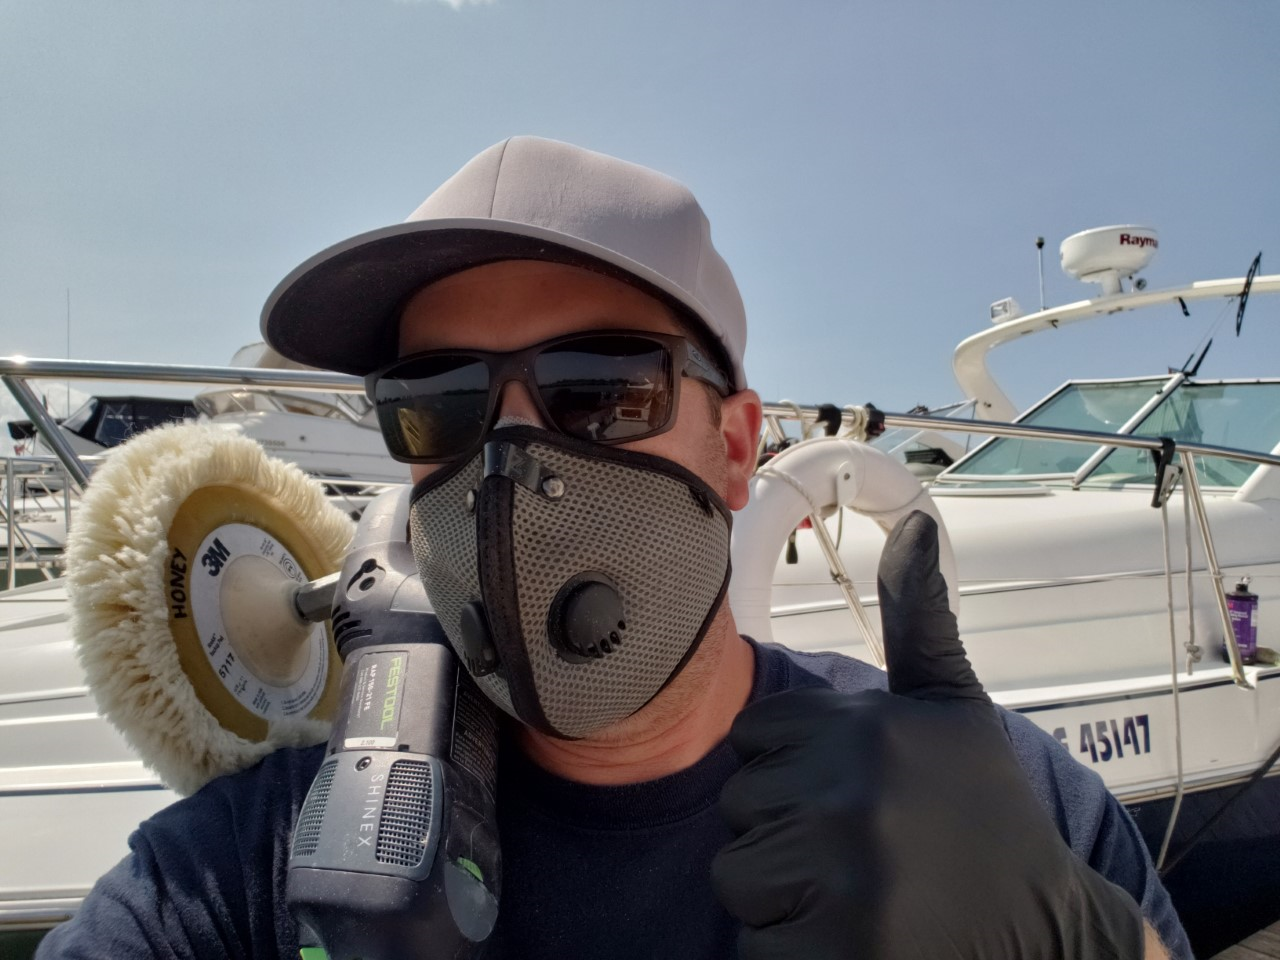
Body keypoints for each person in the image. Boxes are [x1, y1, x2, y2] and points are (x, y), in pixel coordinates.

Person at [36, 136, 1192, 959]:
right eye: (437, 401)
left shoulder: (974, 805)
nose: (509, 463)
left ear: (734, 449)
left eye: (598, 389)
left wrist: (1077, 939)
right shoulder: (263, 863)